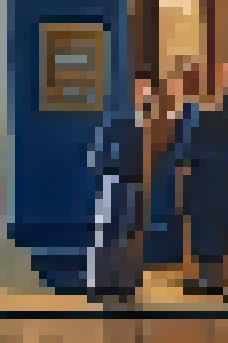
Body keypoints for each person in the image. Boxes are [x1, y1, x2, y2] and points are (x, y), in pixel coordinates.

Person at [176, 59, 228, 296]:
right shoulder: (203, 109)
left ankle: (221, 277)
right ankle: (211, 277)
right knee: (207, 226)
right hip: (207, 174)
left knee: (219, 226)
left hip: (220, 173)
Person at [84, 72, 152, 303]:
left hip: (133, 184)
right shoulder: (116, 119)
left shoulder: (143, 121)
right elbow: (97, 155)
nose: (144, 94)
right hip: (114, 183)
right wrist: (112, 171)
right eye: (141, 89)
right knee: (108, 236)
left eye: (146, 90)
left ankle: (124, 285)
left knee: (128, 236)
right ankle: (102, 286)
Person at [143, 63, 194, 273]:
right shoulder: (157, 123)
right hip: (164, 178)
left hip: (171, 178)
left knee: (171, 215)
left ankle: (169, 257)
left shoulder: (180, 121)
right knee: (162, 214)